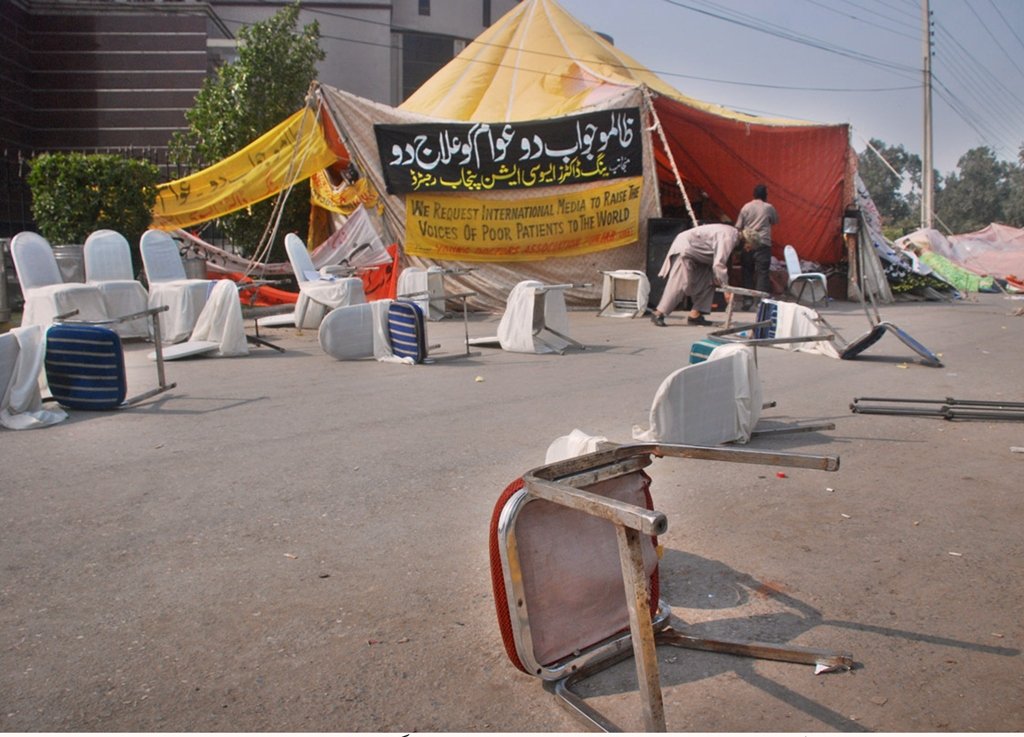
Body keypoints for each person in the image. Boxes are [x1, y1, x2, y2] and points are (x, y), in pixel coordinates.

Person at [650, 223, 753, 327]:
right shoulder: (730, 237)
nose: (747, 250)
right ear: (746, 240)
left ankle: (695, 315)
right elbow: (719, 264)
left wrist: (721, 282)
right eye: (748, 247)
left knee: (709, 282)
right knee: (680, 283)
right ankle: (659, 313)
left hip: (699, 255)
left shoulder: (731, 234)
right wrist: (726, 289)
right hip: (686, 248)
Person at [734, 183, 778, 307]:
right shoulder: (769, 207)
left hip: (748, 243)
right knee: (762, 272)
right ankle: (760, 302)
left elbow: (738, 226)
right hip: (763, 243)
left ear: (754, 194)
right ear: (765, 195)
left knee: (747, 271)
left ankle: (747, 300)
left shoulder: (746, 207)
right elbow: (775, 220)